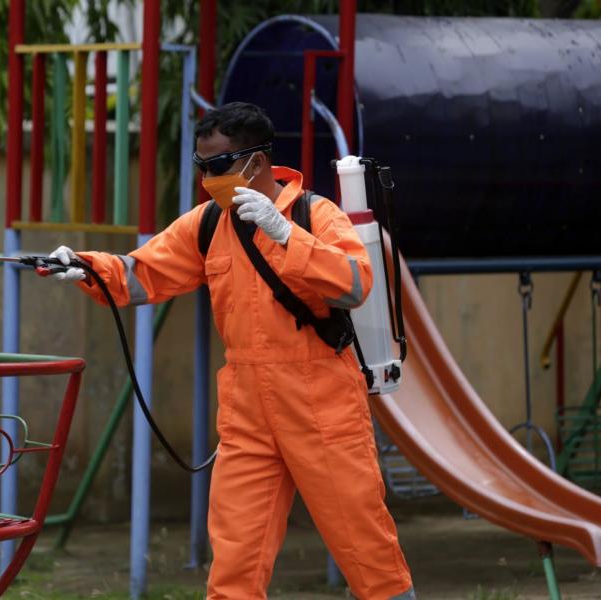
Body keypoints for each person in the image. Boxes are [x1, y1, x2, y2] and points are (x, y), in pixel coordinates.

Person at [45, 102, 415, 599]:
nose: (206, 180)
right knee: (235, 563)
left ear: (255, 163)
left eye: (217, 166)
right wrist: (87, 267)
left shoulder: (315, 214)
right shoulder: (207, 224)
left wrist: (286, 236)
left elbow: (353, 284)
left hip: (322, 403)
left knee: (367, 551)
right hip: (247, 409)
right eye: (201, 167)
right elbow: (141, 274)